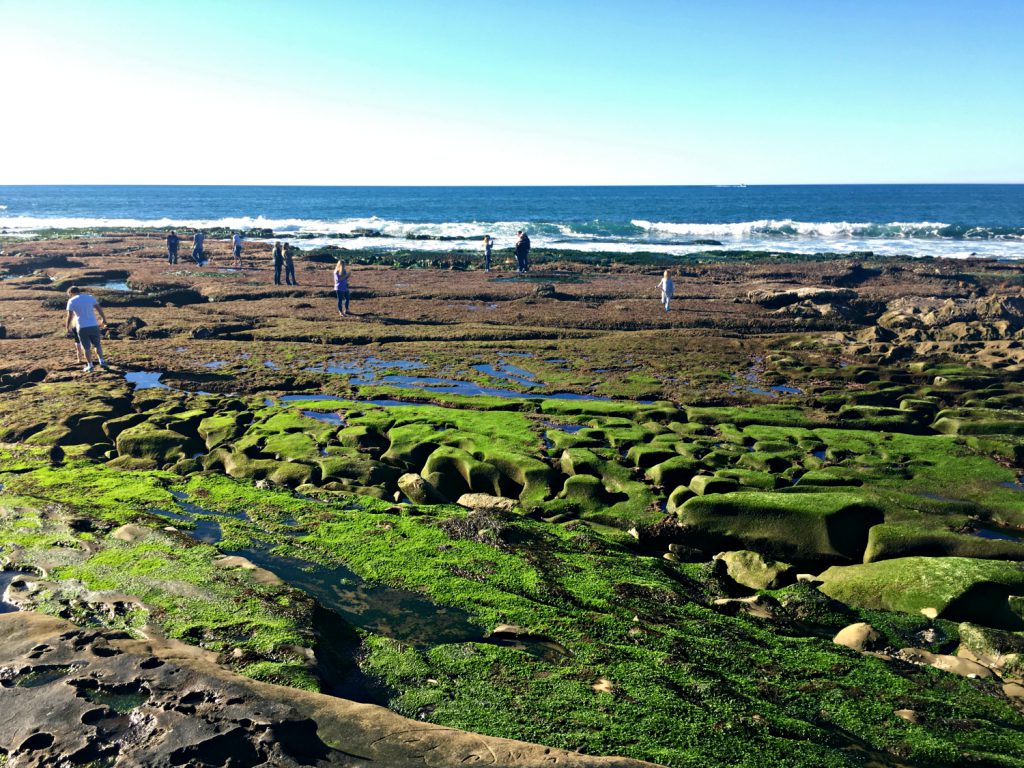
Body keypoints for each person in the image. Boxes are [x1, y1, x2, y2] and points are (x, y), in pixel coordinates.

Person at [65, 286, 108, 372]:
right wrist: (103, 319)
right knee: (97, 344)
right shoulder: (90, 297)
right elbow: (99, 309)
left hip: (81, 326)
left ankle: (90, 365)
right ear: (79, 291)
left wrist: (67, 327)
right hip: (93, 324)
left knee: (86, 347)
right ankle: (102, 362)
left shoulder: (71, 301)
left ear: (71, 293)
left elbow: (69, 316)